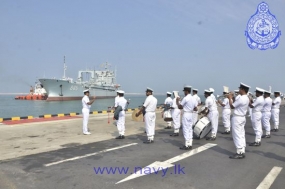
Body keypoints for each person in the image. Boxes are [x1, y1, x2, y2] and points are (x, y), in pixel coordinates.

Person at [227, 83, 250, 159]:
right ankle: (242, 150)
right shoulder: (246, 98)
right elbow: (236, 104)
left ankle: (239, 152)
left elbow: (232, 106)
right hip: (242, 117)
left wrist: (229, 98)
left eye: (240, 89)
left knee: (236, 134)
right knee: (241, 134)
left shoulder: (241, 98)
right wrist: (232, 98)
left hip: (237, 118)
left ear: (243, 89)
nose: (239, 90)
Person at [176, 86, 198, 150]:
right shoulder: (193, 98)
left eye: (184, 91)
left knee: (185, 129)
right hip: (191, 114)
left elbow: (180, 107)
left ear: (186, 91)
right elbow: (196, 108)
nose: (184, 92)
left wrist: (177, 102)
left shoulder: (186, 98)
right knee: (190, 129)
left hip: (186, 114)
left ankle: (186, 144)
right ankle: (190, 143)